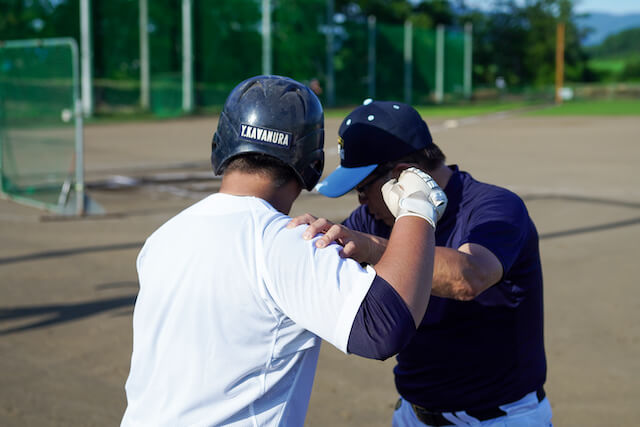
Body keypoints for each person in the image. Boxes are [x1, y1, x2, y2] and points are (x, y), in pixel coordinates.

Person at [121, 77, 448, 426]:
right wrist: (417, 209)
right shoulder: (284, 242)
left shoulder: (163, 237)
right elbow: (384, 328)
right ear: (313, 164)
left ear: (219, 146)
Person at [291, 100, 552, 426]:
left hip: (498, 418)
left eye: (363, 189)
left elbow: (469, 277)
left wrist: (372, 249)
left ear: (402, 177)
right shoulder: (375, 218)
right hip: (413, 414)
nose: (360, 203)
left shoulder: (494, 208)